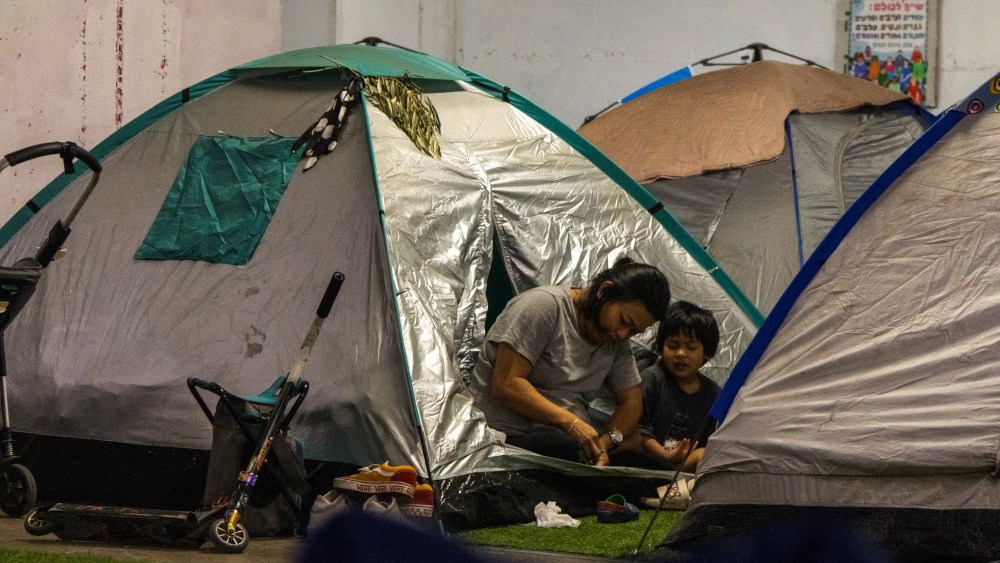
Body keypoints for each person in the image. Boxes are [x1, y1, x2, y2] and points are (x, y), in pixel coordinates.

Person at [469, 256, 670, 466]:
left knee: (653, 466)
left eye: (634, 331)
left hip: (568, 445)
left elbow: (631, 402)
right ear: (603, 291)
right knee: (561, 446)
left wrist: (603, 444)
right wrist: (569, 422)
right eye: (624, 321)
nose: (623, 334)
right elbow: (507, 383)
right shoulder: (542, 307)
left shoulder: (615, 340)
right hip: (508, 438)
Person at [620, 300, 721, 473]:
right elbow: (636, 428)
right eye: (673, 346)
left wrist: (680, 459)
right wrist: (664, 455)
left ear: (708, 352)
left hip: (679, 469)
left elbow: (708, 442)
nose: (680, 354)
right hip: (644, 460)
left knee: (706, 454)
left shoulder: (713, 394)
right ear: (661, 346)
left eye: (691, 347)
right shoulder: (652, 378)